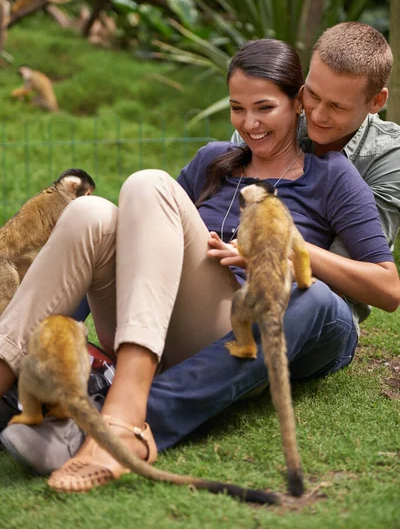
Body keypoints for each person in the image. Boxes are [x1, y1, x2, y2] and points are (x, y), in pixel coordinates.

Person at [0, 35, 399, 491]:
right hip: (148, 319)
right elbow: (147, 232)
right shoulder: (216, 159)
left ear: (295, 105)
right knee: (90, 212)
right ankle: (13, 373)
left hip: (228, 324)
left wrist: (275, 248)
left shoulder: (333, 176)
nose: (249, 123)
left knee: (149, 183)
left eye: (265, 108)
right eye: (237, 108)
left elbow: (387, 288)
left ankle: (127, 410)